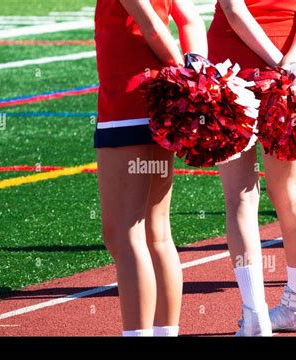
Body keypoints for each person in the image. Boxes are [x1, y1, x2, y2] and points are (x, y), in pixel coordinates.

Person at [208, 0, 296, 336]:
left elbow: (234, 10)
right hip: (288, 71)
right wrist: (290, 66)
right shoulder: (288, 69)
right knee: (290, 194)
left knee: (240, 198)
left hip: (231, 71)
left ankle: (255, 315)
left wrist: (279, 65)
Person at [95, 0, 207, 337]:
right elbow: (189, 19)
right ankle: (163, 333)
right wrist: (197, 68)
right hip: (157, 102)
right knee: (155, 233)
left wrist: (185, 76)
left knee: (124, 233)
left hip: (129, 102)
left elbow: (152, 26)